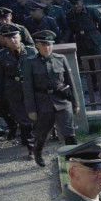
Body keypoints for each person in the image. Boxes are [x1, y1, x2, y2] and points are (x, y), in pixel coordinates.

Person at [21, 30, 78, 167]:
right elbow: (27, 88)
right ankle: (37, 151)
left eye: (49, 45)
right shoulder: (30, 62)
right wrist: (31, 109)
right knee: (42, 133)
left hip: (62, 101)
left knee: (69, 132)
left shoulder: (61, 59)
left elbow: (70, 82)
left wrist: (75, 102)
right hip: (43, 102)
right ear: (37, 45)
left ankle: (73, 160)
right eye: (43, 45)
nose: (47, 48)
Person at [0, 24, 36, 149]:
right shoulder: (1, 55)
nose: (13, 40)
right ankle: (30, 147)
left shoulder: (31, 51)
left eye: (15, 37)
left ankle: (29, 141)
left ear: (20, 37)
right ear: (5, 40)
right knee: (22, 118)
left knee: (32, 117)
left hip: (30, 88)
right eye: (9, 38)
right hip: (13, 90)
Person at [62, 0, 101, 95]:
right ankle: (93, 85)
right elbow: (69, 29)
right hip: (81, 42)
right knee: (88, 65)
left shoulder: (91, 11)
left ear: (82, 2)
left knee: (100, 63)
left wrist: (97, 34)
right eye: (73, 5)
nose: (76, 6)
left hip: (94, 40)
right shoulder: (70, 15)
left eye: (77, 4)